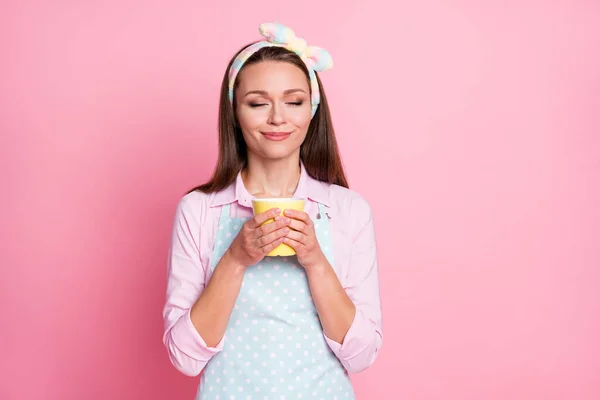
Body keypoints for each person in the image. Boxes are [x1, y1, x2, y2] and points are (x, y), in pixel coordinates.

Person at [162, 22, 383, 399]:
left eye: (293, 101)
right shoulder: (199, 210)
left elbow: (361, 355)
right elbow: (185, 357)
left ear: (312, 110)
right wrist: (234, 258)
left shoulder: (347, 210)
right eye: (258, 103)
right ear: (234, 112)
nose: (277, 118)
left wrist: (315, 260)